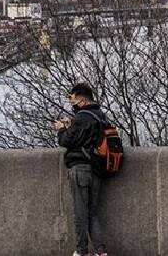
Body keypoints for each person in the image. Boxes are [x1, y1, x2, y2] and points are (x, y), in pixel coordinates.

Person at [55, 83, 110, 256]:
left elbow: (67, 141)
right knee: (92, 213)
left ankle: (81, 251)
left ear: (81, 98)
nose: (71, 102)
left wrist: (61, 129)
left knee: (80, 214)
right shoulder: (100, 116)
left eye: (72, 98)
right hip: (97, 170)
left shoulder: (82, 117)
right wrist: (72, 125)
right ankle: (101, 252)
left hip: (80, 170)